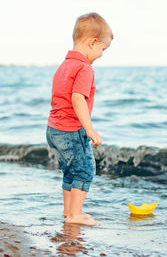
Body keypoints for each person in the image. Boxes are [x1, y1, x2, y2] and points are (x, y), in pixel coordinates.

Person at [46, 12, 113, 226]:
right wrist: (90, 129)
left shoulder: (64, 66)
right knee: (85, 170)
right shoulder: (84, 68)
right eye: (103, 49)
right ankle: (75, 215)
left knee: (69, 171)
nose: (101, 54)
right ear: (93, 42)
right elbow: (77, 99)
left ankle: (69, 213)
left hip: (54, 130)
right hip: (71, 130)